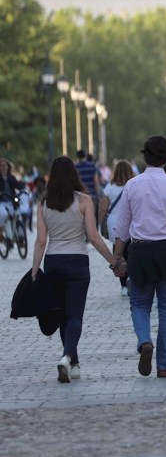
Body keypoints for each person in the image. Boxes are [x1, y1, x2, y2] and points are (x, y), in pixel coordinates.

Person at [113, 136, 166, 378]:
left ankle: (144, 341)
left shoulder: (132, 185)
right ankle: (165, 365)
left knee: (139, 303)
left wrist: (117, 257)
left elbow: (121, 228)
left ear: (145, 156)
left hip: (140, 251)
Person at [31, 156, 119, 383]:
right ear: (74, 175)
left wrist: (34, 269)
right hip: (77, 261)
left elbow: (41, 241)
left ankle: (74, 364)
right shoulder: (83, 201)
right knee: (75, 315)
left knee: (62, 315)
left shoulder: (44, 204)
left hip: (53, 262)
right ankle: (67, 356)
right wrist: (113, 261)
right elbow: (93, 237)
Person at [99, 160, 136, 297]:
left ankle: (123, 286)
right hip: (132, 221)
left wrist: (100, 222)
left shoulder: (110, 187)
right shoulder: (134, 185)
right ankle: (132, 277)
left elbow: (104, 207)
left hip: (114, 221)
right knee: (131, 251)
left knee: (118, 251)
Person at [0, 158, 24, 244]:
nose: (3, 167)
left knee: (18, 215)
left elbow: (18, 185)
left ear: (8, 166)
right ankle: (2, 231)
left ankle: (21, 236)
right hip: (1, 202)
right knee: (4, 214)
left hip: (11, 201)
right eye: (2, 165)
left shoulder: (11, 177)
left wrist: (22, 188)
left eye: (5, 165)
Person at [74, 150, 101, 220]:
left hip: (80, 195)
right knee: (92, 216)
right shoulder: (92, 166)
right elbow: (96, 181)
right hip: (92, 195)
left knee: (81, 217)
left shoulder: (75, 167)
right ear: (85, 156)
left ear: (78, 157)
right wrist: (98, 194)